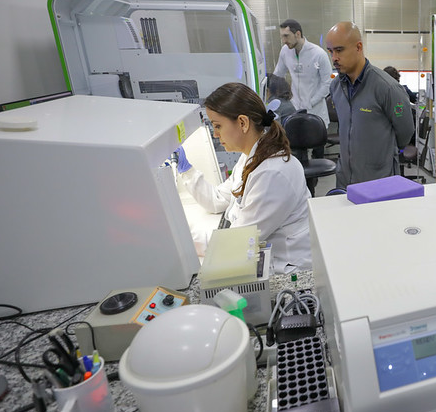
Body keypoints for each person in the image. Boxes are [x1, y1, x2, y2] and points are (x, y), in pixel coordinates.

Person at [175, 82, 311, 274]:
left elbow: (238, 242)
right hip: (263, 255)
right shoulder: (250, 157)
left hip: (289, 270)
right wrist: (187, 171)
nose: (215, 134)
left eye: (218, 126)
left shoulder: (272, 173)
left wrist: (182, 238)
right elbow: (218, 199)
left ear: (242, 123)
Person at [325, 22, 414, 189]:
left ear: (358, 47)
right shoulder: (336, 86)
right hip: (345, 179)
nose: (334, 57)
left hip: (378, 179)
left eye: (339, 50)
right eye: (330, 51)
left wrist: (382, 155)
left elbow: (405, 132)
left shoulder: (387, 88)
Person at [273, 19, 333, 158]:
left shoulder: (318, 54)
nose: (283, 41)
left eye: (286, 36)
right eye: (282, 36)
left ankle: (316, 171)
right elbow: (278, 76)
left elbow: (328, 83)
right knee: (298, 154)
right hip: (295, 110)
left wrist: (310, 102)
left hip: (316, 111)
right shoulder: (285, 51)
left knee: (317, 155)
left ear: (298, 34)